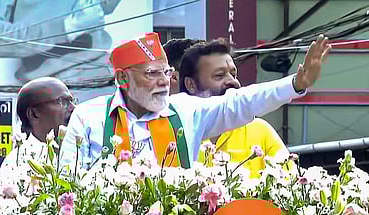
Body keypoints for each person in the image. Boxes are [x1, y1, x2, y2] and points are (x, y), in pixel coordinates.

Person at [60, 33, 330, 170]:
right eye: (152, 74)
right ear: (122, 79)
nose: (164, 82)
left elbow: (242, 102)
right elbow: (67, 184)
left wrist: (296, 84)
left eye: (165, 73)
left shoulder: (185, 110)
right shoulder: (89, 116)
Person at [179, 39, 290, 177]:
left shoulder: (260, 131)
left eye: (234, 74)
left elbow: (292, 184)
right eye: (219, 75)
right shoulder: (178, 134)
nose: (233, 81)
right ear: (191, 85)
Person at [0, 77, 76, 174]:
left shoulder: (71, 154)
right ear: (34, 113)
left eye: (72, 101)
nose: (73, 108)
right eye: (62, 101)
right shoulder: (19, 162)